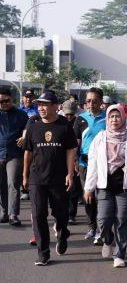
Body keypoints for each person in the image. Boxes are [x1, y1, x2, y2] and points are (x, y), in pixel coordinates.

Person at [84, 105, 127, 268]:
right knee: (103, 220)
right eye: (111, 116)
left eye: (118, 116)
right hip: (104, 185)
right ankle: (108, 239)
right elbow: (92, 164)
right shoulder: (100, 137)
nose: (114, 119)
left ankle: (120, 253)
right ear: (107, 119)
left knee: (122, 220)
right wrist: (88, 187)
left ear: (123, 118)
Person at [22, 91, 76, 266]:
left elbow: (70, 151)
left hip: (59, 178)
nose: (41, 108)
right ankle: (43, 253)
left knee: (60, 213)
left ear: (55, 106)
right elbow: (28, 152)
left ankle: (62, 233)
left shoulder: (65, 126)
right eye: (39, 105)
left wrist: (70, 173)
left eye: (45, 104)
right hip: (37, 178)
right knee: (38, 215)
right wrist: (25, 175)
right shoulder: (33, 126)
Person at [73, 87, 106, 244]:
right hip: (84, 164)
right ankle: (92, 227)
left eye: (94, 101)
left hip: (104, 164)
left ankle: (102, 228)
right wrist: (74, 162)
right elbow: (75, 143)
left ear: (101, 102)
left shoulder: (108, 118)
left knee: (102, 197)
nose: (91, 103)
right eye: (88, 101)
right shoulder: (80, 119)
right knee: (88, 197)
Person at [0, 87, 28, 226]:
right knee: (1, 185)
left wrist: (24, 136)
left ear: (12, 99)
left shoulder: (21, 114)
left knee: (13, 184)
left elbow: (27, 128)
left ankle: (13, 214)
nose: (3, 103)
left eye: (6, 100)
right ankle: (4, 213)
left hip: (14, 154)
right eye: (0, 101)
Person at [60, 100, 82, 224]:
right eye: (66, 114)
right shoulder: (58, 121)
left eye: (71, 115)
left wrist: (76, 160)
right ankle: (62, 212)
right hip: (60, 159)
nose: (69, 117)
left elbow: (78, 145)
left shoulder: (78, 123)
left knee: (73, 188)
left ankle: (71, 214)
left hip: (75, 158)